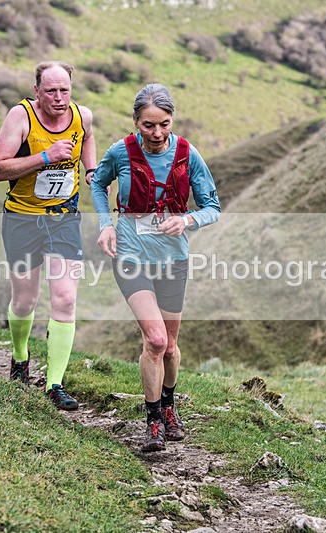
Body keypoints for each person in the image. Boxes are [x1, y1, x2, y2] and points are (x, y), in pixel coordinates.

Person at [90, 83, 220, 452]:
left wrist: (188, 221)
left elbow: (213, 207)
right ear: (135, 121)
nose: (157, 133)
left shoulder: (187, 153)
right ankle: (152, 422)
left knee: (171, 347)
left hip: (173, 258)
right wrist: (105, 224)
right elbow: (98, 184)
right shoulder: (121, 152)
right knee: (155, 339)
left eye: (164, 124)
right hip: (131, 255)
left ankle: (169, 405)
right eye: (148, 125)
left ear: (172, 120)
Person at [0, 60, 96, 411]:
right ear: (37, 91)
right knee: (25, 301)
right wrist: (44, 157)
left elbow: (88, 137)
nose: (59, 98)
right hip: (22, 219)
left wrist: (91, 169)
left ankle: (55, 383)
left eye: (65, 90)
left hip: (63, 220)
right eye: (51, 91)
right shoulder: (20, 118)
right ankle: (20, 358)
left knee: (65, 299)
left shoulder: (83, 116)